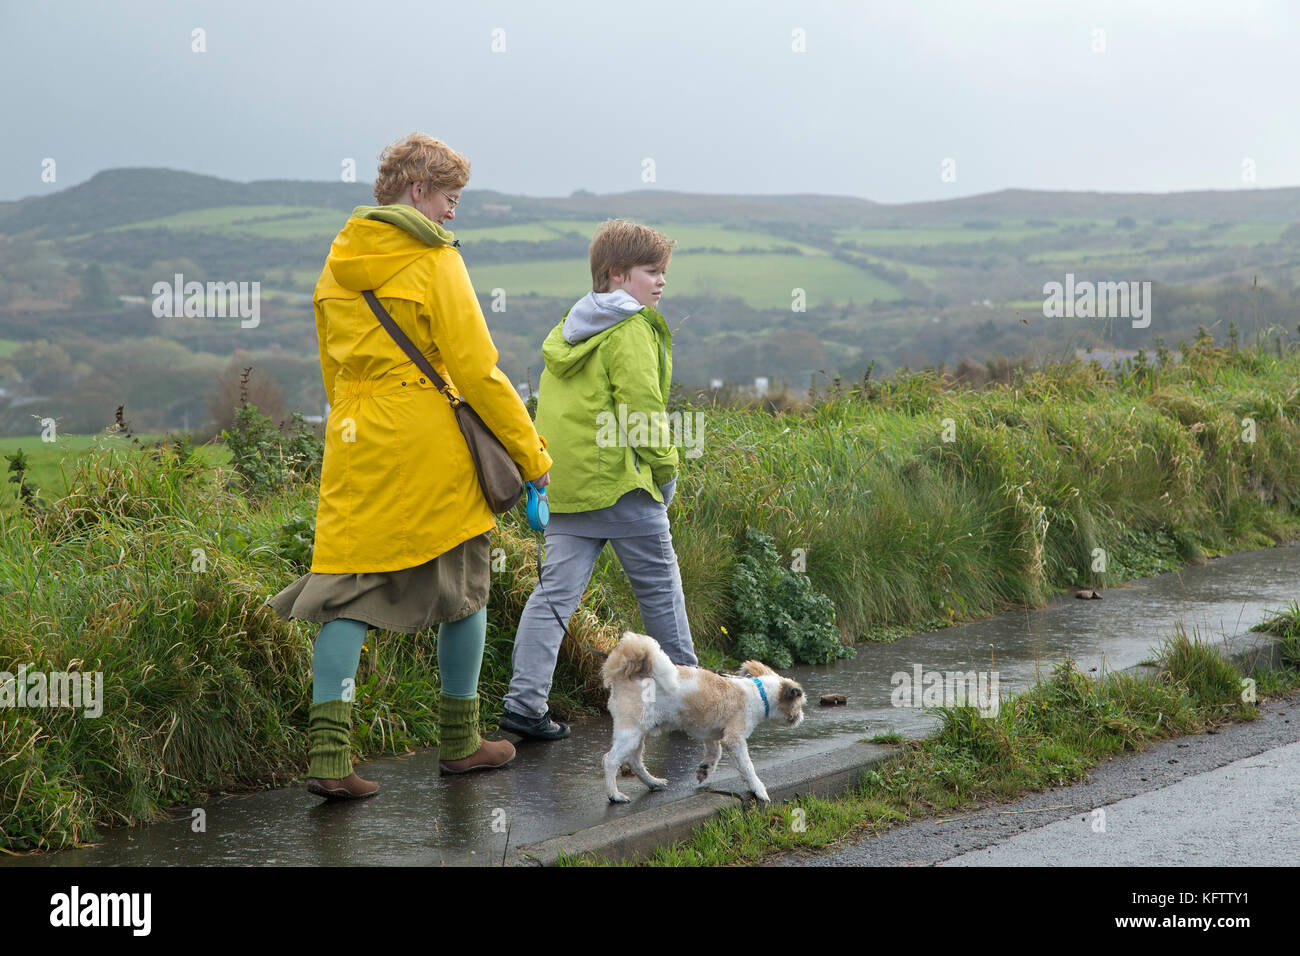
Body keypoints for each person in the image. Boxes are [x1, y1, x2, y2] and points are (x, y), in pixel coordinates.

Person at [266, 133, 552, 798]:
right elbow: (478, 371)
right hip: (427, 444)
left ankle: (331, 759)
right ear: (419, 190)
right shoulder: (434, 260)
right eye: (450, 197)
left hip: (355, 438)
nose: (453, 212)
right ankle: (460, 742)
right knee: (464, 587)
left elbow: (333, 369)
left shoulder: (337, 261)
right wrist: (533, 457)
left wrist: (356, 427)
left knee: (344, 591)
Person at [500, 219, 698, 741]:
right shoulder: (631, 328)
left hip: (565, 488)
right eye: (651, 272)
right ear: (616, 273)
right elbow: (643, 412)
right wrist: (667, 471)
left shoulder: (570, 326)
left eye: (663, 273)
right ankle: (687, 702)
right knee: (660, 595)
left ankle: (523, 705)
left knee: (552, 599)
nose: (661, 283)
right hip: (622, 486)